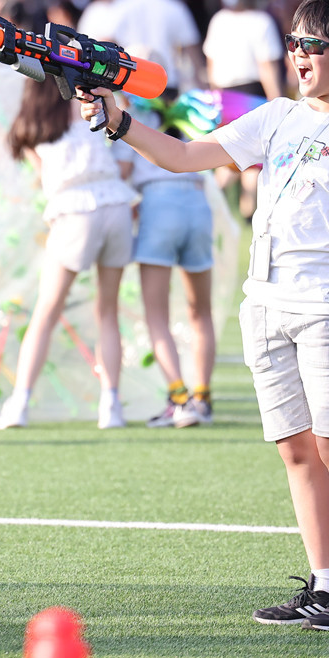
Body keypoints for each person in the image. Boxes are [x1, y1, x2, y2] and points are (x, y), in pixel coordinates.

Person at [83, 0, 329, 630]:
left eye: (312, 46)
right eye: (293, 43)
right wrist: (119, 121)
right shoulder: (275, 117)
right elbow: (184, 157)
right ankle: (323, 584)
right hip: (264, 305)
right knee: (296, 449)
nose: (298, 55)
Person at [0, 78, 138, 431]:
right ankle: (111, 405)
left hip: (75, 210)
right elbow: (122, 159)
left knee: (46, 311)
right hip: (116, 204)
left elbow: (43, 178)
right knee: (107, 310)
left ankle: (20, 403)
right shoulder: (92, 108)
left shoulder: (33, 126)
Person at [125, 105, 217, 429]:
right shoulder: (192, 109)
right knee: (200, 311)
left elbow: (123, 170)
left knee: (156, 315)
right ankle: (202, 399)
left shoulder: (131, 115)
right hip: (197, 201)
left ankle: (179, 398)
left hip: (158, 203)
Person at [203, 0, 283, 220]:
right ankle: (249, 210)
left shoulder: (219, 19)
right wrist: (277, 101)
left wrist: (215, 95)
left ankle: (211, 201)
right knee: (254, 158)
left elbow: (211, 62)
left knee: (227, 154)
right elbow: (266, 66)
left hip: (224, 95)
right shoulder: (262, 21)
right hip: (253, 94)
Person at [99, 0, 201, 93]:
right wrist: (201, 84)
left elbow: (105, 40)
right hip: (164, 81)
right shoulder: (175, 7)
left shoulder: (123, 4)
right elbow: (191, 48)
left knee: (129, 114)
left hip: (129, 80)